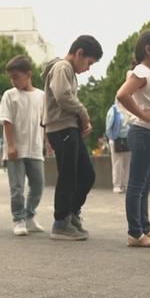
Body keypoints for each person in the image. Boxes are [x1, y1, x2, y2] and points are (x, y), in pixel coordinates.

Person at [114, 29, 150, 247]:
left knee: (144, 186)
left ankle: (145, 230)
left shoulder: (148, 73)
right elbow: (121, 94)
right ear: (148, 49)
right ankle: (135, 233)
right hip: (144, 133)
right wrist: (143, 114)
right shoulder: (141, 71)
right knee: (137, 186)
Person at [42, 35, 102, 241]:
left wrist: (80, 120)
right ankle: (61, 222)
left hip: (69, 127)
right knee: (68, 175)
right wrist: (83, 113)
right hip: (61, 128)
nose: (88, 68)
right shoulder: (62, 67)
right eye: (89, 63)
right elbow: (62, 95)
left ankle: (71, 214)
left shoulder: (67, 70)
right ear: (79, 53)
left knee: (86, 174)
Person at [0, 54, 45, 236]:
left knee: (38, 185)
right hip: (15, 149)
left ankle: (30, 215)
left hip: (35, 149)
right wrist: (10, 146)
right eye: (11, 77)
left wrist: (47, 143)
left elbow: (44, 121)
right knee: (17, 188)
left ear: (28, 74)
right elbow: (6, 121)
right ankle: (18, 219)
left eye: (16, 77)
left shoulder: (41, 96)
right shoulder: (10, 95)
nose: (13, 81)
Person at [109, 102, 132, 194]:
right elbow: (109, 126)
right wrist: (113, 138)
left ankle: (126, 185)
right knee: (117, 163)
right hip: (117, 139)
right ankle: (117, 185)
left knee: (128, 164)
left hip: (128, 139)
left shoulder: (129, 109)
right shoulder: (114, 110)